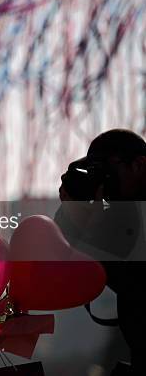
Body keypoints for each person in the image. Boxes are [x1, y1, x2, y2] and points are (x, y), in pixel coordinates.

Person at [55, 129, 146, 375]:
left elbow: (132, 280)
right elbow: (79, 259)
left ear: (139, 164)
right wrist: (73, 215)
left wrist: (93, 222)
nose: (103, 181)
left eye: (107, 171)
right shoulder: (123, 210)